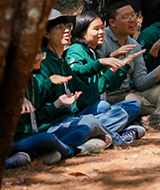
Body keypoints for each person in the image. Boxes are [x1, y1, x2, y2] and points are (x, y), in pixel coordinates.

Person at [39, 10, 141, 147]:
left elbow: (86, 93)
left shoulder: (61, 61)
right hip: (55, 125)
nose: (66, 31)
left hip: (73, 118)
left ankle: (99, 135)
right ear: (46, 34)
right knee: (87, 125)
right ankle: (114, 137)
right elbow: (79, 72)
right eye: (59, 27)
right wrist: (101, 63)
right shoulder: (44, 61)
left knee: (129, 106)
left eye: (67, 26)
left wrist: (120, 67)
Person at [98, 0, 160, 130]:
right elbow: (95, 74)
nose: (132, 20)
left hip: (132, 92)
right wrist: (112, 58)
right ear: (112, 22)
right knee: (135, 101)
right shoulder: (102, 40)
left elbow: (141, 83)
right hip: (109, 96)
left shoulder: (134, 45)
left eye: (133, 15)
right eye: (126, 17)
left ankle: (158, 117)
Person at [8, 49, 109, 168]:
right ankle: (72, 151)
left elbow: (38, 118)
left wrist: (58, 103)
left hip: (33, 136)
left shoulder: (33, 82)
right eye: (33, 53)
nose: (39, 57)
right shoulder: (9, 85)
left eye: (40, 53)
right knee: (47, 138)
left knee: (84, 128)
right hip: (14, 142)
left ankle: (38, 155)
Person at [66, 11, 146, 143]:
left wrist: (125, 64)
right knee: (103, 106)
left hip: (96, 105)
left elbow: (109, 85)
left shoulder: (93, 52)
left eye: (102, 28)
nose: (101, 32)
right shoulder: (76, 49)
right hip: (82, 108)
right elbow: (77, 71)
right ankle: (117, 136)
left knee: (133, 105)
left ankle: (103, 133)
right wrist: (102, 62)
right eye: (96, 29)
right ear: (82, 32)